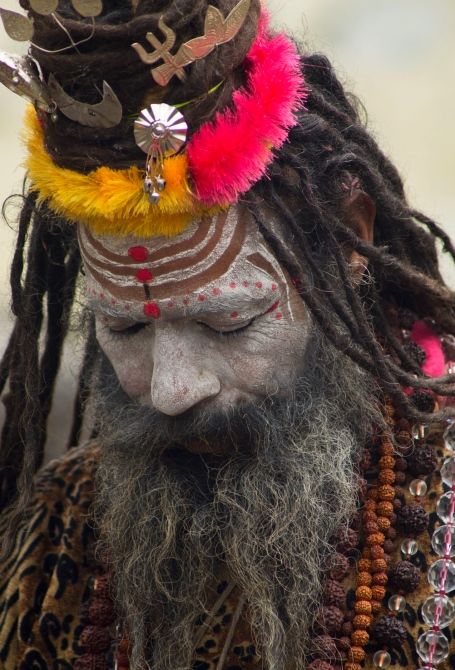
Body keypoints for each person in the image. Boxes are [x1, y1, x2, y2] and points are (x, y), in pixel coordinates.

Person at [0, 1, 454, 669]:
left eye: (226, 321)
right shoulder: (58, 530)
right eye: (123, 327)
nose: (170, 390)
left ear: (349, 242)